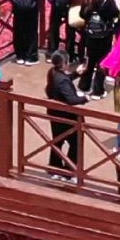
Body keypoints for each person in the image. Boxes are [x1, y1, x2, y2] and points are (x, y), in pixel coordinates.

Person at [45, 50, 87, 179]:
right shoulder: (62, 79)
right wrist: (85, 98)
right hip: (66, 116)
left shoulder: (53, 72)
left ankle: (54, 168)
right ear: (64, 63)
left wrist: (76, 74)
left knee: (57, 141)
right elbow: (72, 100)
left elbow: (64, 79)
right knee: (75, 143)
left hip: (55, 113)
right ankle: (70, 170)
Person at [79, 0, 119, 99]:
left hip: (90, 36)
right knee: (101, 62)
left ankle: (84, 87)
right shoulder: (108, 1)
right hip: (104, 37)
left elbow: (82, 14)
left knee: (89, 61)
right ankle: (97, 91)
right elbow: (115, 14)